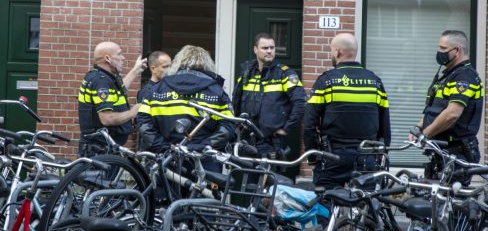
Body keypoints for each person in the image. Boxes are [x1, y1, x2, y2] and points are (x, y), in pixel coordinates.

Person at [304, 33, 390, 189]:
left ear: (337, 52)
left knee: (326, 206)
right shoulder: (375, 82)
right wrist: (381, 156)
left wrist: (312, 158)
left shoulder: (325, 81)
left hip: (332, 158)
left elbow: (309, 125)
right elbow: (385, 126)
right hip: (366, 158)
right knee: (366, 207)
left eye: (331, 50)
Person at [137, 45, 236, 170]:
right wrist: (203, 147)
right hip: (203, 162)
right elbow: (228, 126)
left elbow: (143, 123)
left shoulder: (157, 89)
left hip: (165, 160)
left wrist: (163, 147)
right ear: (207, 64)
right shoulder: (216, 91)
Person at [411, 30, 483, 184]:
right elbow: (435, 107)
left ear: (457, 50)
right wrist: (418, 128)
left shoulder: (465, 77)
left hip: (456, 154)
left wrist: (426, 135)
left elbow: (452, 114)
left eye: (443, 49)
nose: (439, 52)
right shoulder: (449, 75)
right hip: (441, 151)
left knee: (451, 203)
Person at [232, 33, 306, 169]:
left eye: (272, 48)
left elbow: (301, 102)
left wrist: (286, 128)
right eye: (265, 48)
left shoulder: (284, 74)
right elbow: (236, 101)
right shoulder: (246, 74)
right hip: (246, 140)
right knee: (247, 183)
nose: (269, 51)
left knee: (266, 184)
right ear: (255, 50)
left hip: (271, 143)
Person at [77, 41, 147, 156]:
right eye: (119, 54)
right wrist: (133, 112)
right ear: (108, 58)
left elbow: (119, 91)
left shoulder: (102, 77)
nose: (123, 58)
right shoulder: (101, 82)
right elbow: (107, 118)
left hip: (103, 148)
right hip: (100, 150)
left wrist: (136, 70)